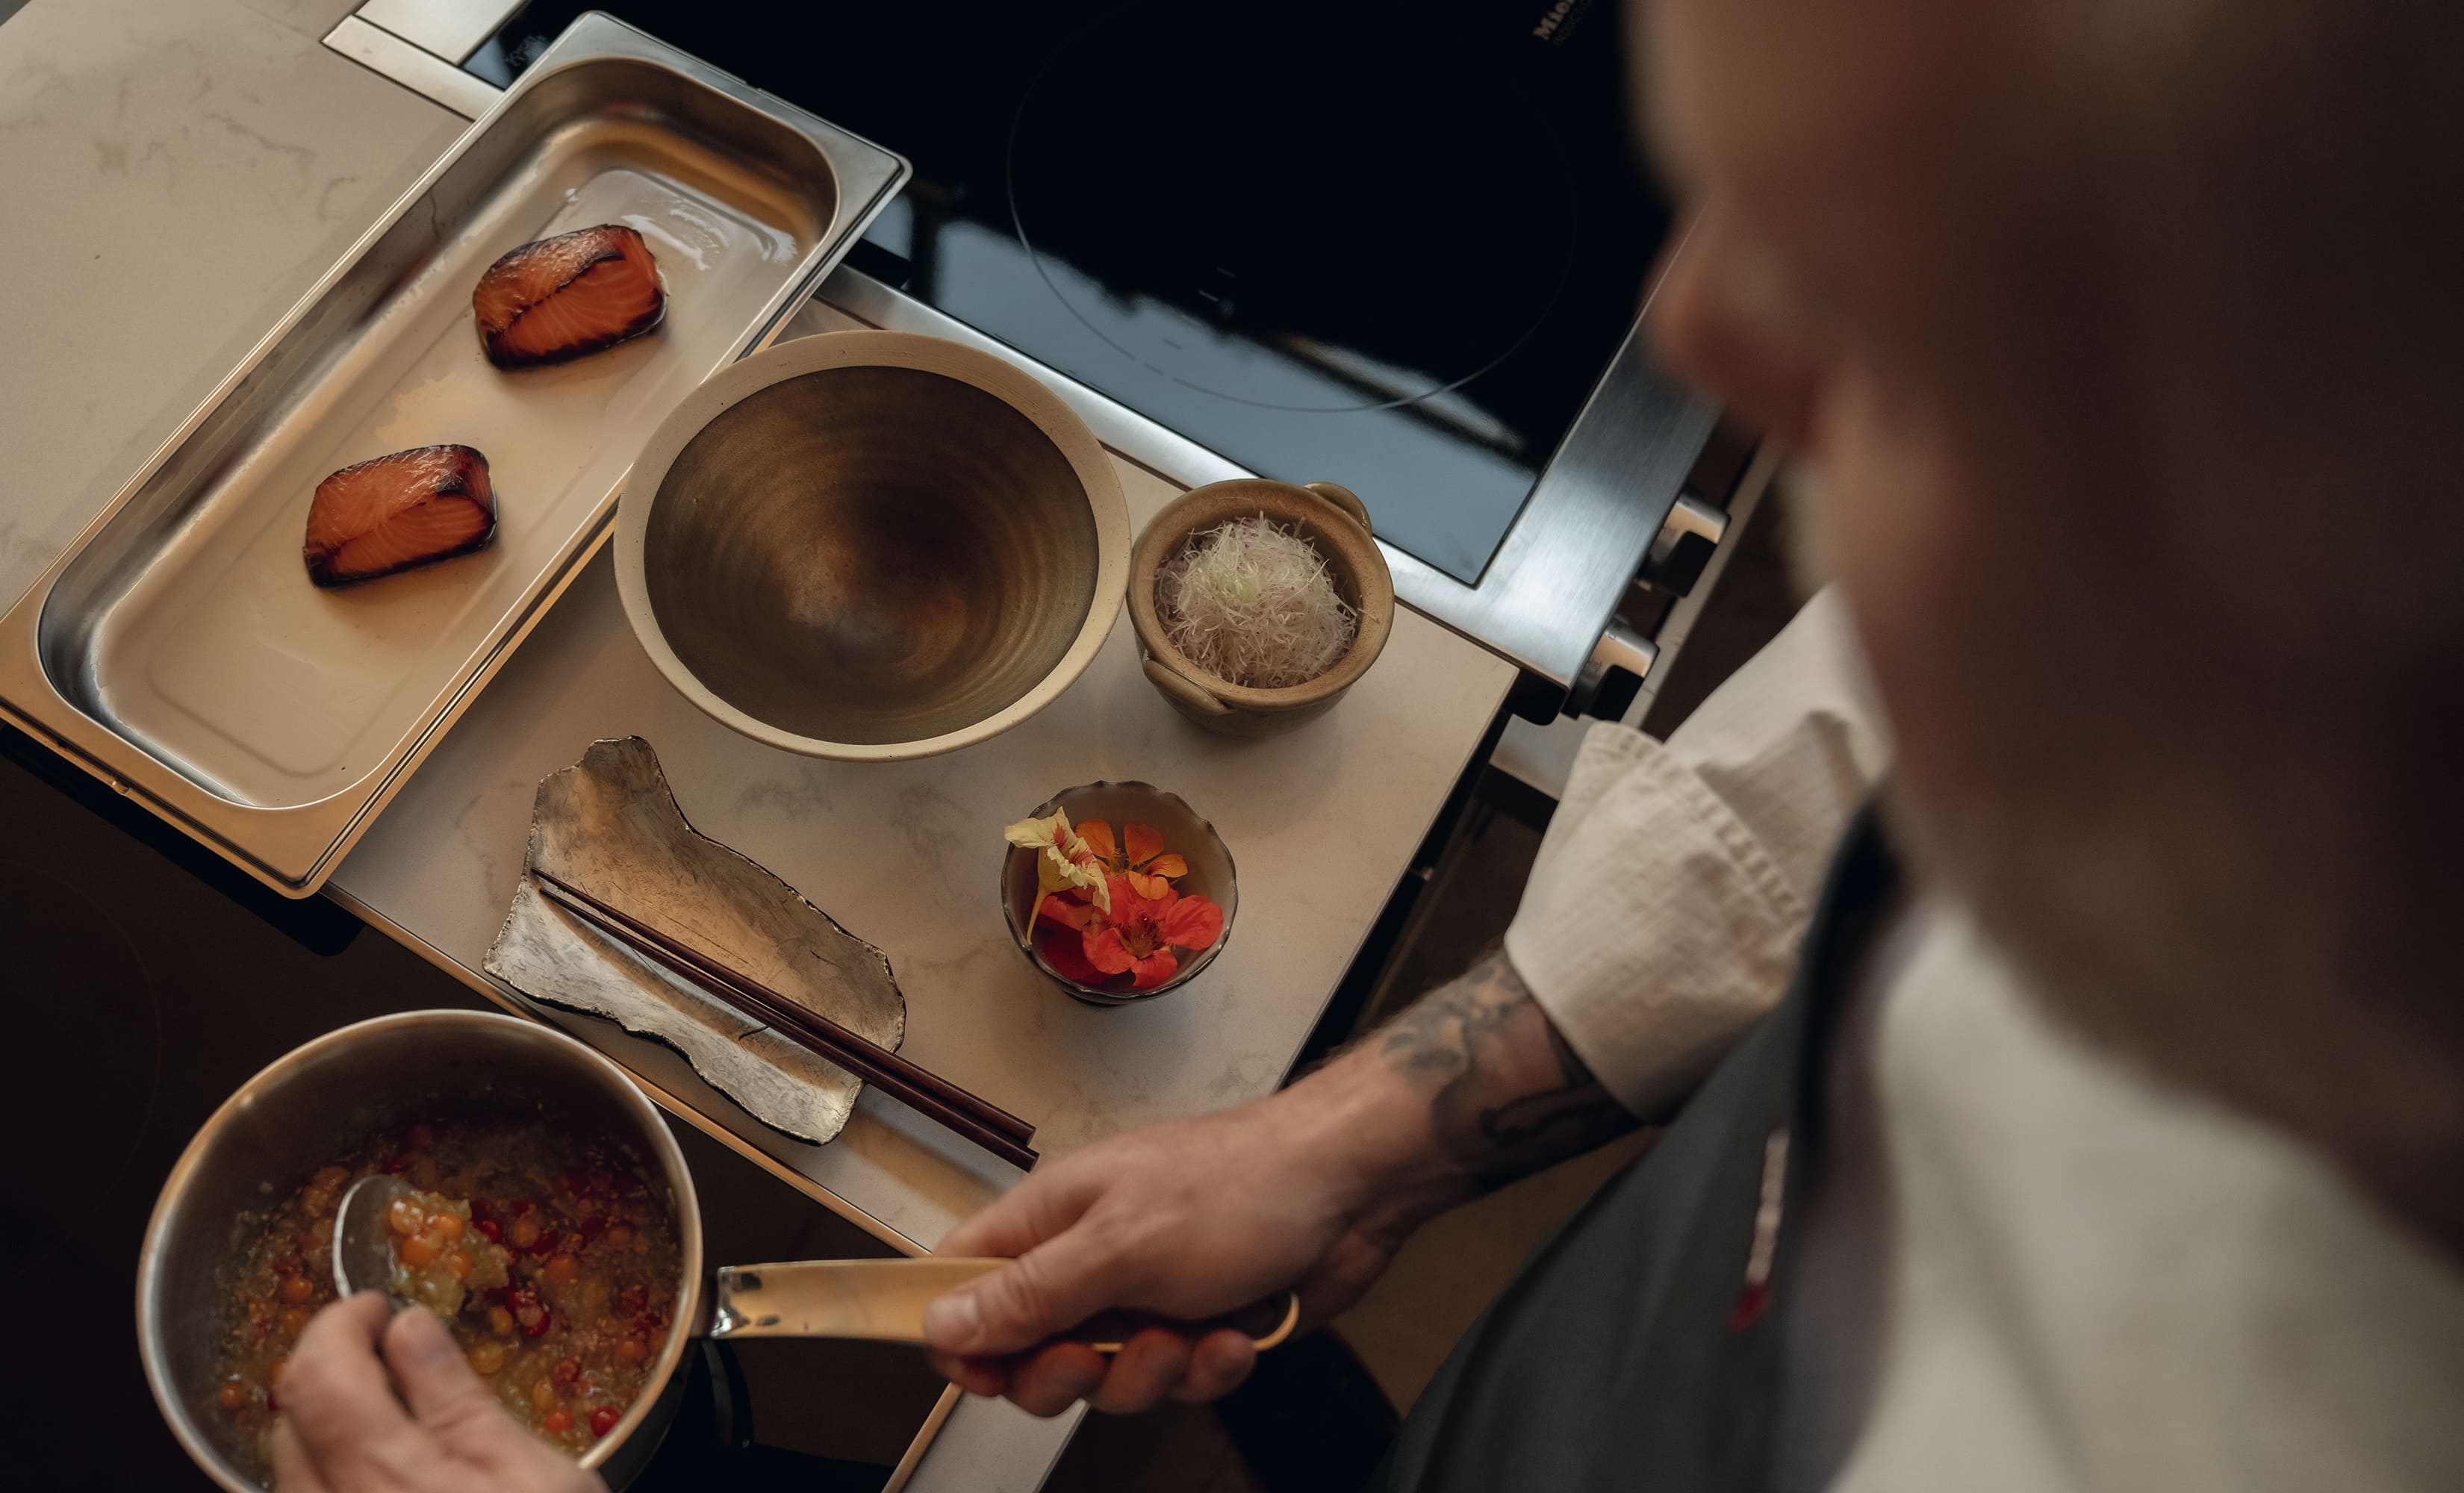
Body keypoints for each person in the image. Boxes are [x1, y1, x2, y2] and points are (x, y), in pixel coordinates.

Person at [270, 0, 2464, 1486]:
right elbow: (1851, 761)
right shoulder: (2249, 690)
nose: (1705, 327)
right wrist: (1365, 1140)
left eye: (1947, 312)